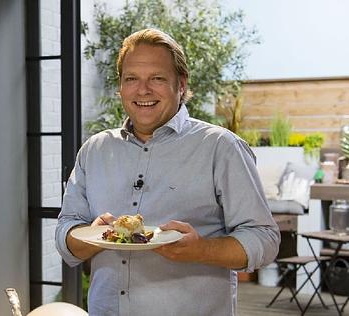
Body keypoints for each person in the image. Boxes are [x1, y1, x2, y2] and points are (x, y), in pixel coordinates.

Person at [55, 28, 280, 316]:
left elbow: (265, 238)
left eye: (157, 78)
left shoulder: (221, 147)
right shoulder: (94, 150)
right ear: (121, 87)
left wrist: (201, 250)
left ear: (181, 85)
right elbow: (66, 233)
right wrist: (92, 236)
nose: (143, 90)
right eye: (131, 79)